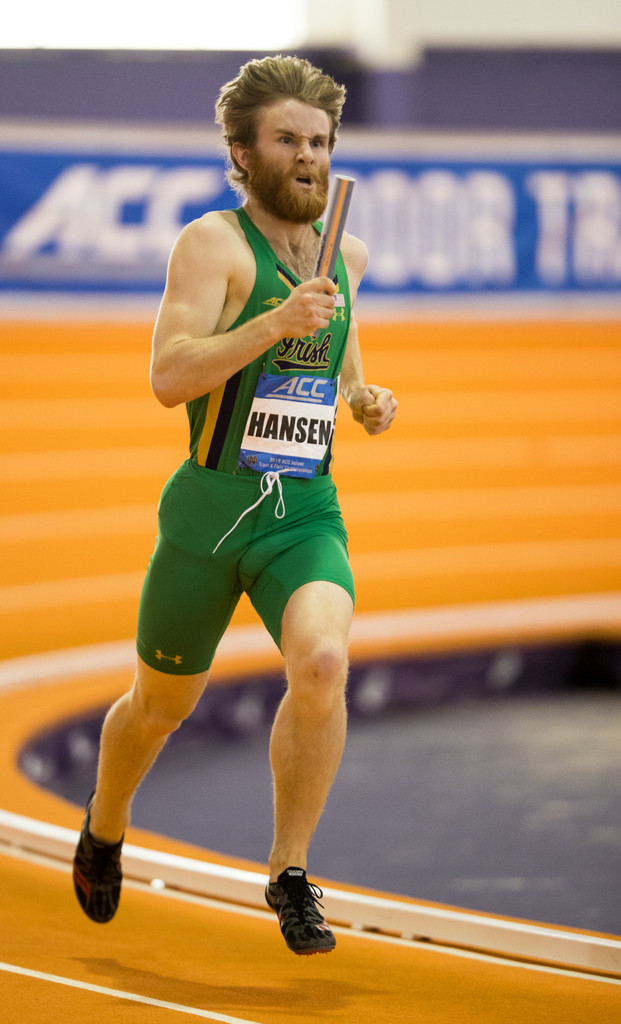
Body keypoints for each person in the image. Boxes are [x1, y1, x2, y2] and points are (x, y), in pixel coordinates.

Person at [72, 54, 397, 956]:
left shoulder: (347, 253)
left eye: (321, 141)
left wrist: (366, 401)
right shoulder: (210, 244)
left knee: (323, 662)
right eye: (287, 140)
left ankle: (290, 873)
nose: (309, 157)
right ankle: (105, 823)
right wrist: (266, 324)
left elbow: (338, 362)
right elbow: (169, 378)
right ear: (241, 155)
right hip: (209, 512)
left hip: (302, 511)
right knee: (158, 706)